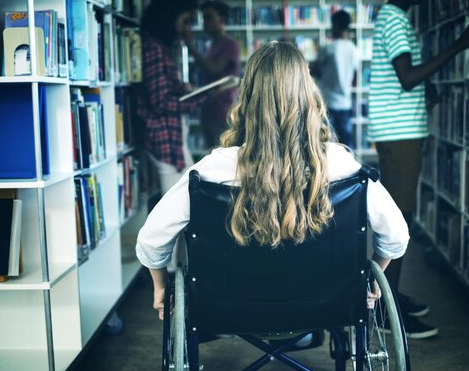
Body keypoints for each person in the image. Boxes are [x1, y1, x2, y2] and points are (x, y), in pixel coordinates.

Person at [136, 42, 410, 325]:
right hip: (325, 304)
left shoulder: (211, 169)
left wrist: (159, 286)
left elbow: (151, 240)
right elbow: (396, 236)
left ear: (248, 98)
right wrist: (373, 276)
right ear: (308, 95)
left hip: (232, 307)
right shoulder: (344, 165)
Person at [368, 0, 469, 338]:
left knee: (399, 216)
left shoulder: (395, 19)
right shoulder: (393, 19)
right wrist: (462, 43)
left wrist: (428, 89)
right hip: (399, 135)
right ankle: (386, 311)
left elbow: (403, 76)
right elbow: (406, 77)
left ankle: (391, 297)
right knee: (398, 220)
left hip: (400, 132)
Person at [138, 0, 204, 194]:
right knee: (177, 204)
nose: (185, 29)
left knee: (184, 197)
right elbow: (160, 103)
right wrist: (194, 100)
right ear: (171, 15)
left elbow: (164, 90)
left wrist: (183, 89)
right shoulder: (154, 49)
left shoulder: (162, 48)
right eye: (185, 21)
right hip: (165, 139)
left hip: (172, 136)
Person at [185, 0, 241, 149]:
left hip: (223, 111)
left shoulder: (230, 44)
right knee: (211, 154)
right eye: (203, 18)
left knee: (222, 154)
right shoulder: (211, 46)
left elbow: (214, 69)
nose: (205, 22)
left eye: (209, 17)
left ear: (221, 19)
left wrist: (190, 46)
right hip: (208, 109)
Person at [313, 9, 359, 148]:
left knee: (327, 146)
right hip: (345, 104)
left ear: (337, 25)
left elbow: (314, 71)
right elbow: (355, 79)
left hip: (328, 104)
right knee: (346, 147)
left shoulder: (328, 49)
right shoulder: (354, 50)